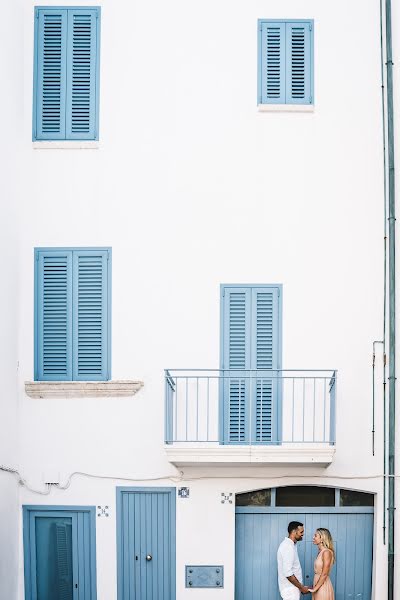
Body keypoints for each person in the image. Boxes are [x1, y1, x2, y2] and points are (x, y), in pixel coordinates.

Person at [277, 521, 311, 599]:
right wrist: (301, 587)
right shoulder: (288, 547)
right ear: (294, 532)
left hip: (292, 589)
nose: (303, 534)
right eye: (301, 532)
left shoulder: (291, 545)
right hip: (290, 590)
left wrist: (300, 586)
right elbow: (288, 573)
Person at [308, 528, 335, 599]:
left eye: (315, 535)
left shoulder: (326, 552)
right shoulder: (321, 552)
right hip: (318, 584)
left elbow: (324, 573)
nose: (313, 537)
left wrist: (315, 589)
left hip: (323, 586)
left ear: (322, 538)